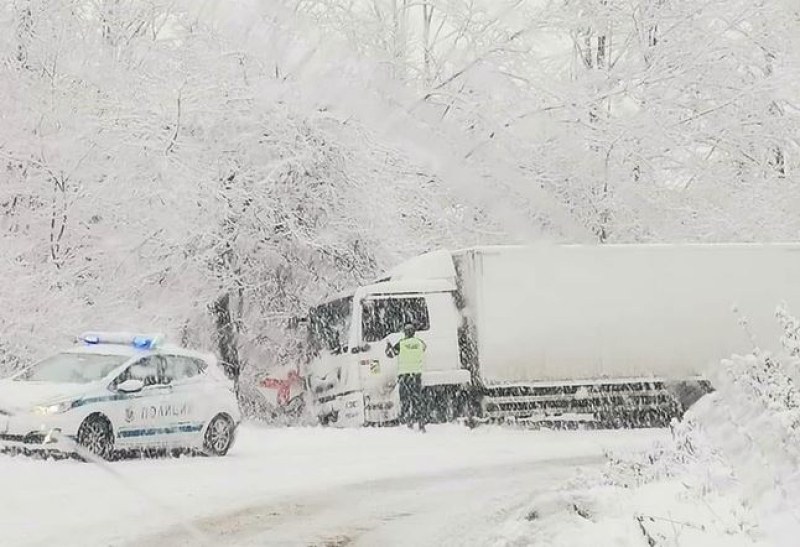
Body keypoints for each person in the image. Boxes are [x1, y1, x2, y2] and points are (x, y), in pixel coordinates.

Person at [386, 322, 428, 432]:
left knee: (405, 401)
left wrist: (388, 346)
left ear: (405, 332)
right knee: (417, 401)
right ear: (414, 332)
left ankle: (408, 423)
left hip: (405, 377)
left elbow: (390, 354)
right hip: (416, 376)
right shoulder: (419, 343)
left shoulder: (401, 344)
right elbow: (424, 348)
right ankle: (421, 424)